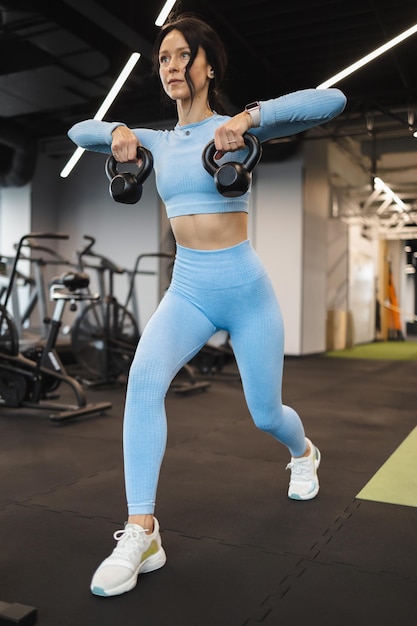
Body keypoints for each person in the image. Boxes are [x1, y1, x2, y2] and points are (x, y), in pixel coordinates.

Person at [68, 14, 347, 598]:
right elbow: (78, 132)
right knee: (143, 381)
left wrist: (250, 117)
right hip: (189, 288)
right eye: (163, 58)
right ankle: (143, 530)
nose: (169, 66)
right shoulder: (158, 142)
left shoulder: (236, 130)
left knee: (265, 414)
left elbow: (333, 100)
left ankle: (304, 451)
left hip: (246, 289)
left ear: (207, 65)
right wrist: (118, 130)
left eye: (180, 55)